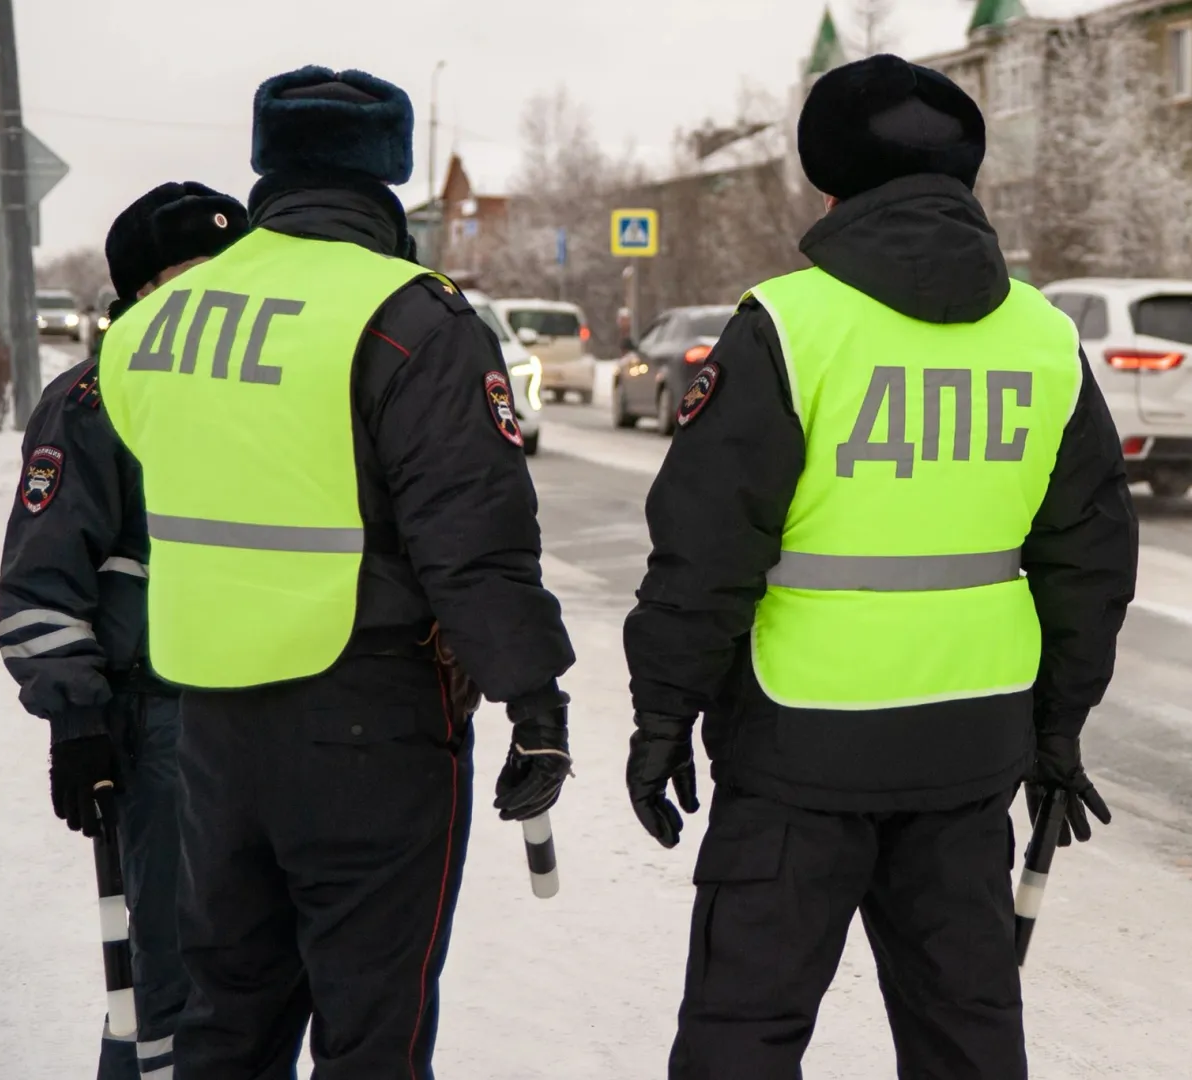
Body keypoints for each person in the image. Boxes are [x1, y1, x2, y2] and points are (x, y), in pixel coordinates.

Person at [623, 55, 1138, 1079]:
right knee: (968, 1036)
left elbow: (705, 554)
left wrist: (662, 715)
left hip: (796, 748)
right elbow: (1090, 557)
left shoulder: (789, 325)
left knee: (744, 1035)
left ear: (829, 186)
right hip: (970, 745)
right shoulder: (1042, 337)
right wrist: (1058, 730)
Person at [96, 66, 576, 1078]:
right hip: (371, 721)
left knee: (227, 1020)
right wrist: (535, 705)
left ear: (271, 162)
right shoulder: (408, 319)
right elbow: (474, 539)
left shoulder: (152, 326)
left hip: (210, 726)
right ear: (387, 173)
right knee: (372, 1031)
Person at [0, 180, 249, 1080]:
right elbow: (41, 580)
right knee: (171, 973)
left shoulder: (269, 392)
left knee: (255, 973)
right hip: (159, 726)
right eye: (191, 277)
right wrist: (79, 723)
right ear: (140, 292)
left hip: (271, 708)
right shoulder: (96, 402)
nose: (216, 296)